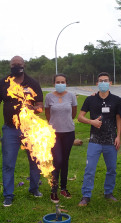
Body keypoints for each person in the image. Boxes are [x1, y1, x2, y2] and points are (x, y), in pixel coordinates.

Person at [0, 56, 44, 207]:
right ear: (10, 66)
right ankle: (8, 195)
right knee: (8, 163)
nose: (16, 66)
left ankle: (34, 188)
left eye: (19, 64)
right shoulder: (3, 83)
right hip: (10, 130)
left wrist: (32, 108)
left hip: (30, 129)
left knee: (34, 161)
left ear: (24, 65)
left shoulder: (32, 83)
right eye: (14, 64)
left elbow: (40, 106)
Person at [77, 72, 121, 207]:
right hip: (94, 140)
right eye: (101, 81)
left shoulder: (116, 100)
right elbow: (80, 117)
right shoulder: (90, 99)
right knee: (90, 169)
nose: (103, 83)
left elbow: (119, 118)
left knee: (112, 169)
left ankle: (108, 192)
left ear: (110, 83)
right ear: (97, 83)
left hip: (111, 140)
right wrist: (92, 122)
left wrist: (118, 136)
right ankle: (86, 195)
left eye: (106, 80)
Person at [45, 73, 78, 203]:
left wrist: (65, 122)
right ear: (54, 83)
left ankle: (63, 188)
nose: (60, 84)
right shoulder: (49, 96)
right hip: (54, 133)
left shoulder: (71, 96)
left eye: (62, 82)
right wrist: (54, 123)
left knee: (65, 160)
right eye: (57, 82)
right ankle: (53, 189)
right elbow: (48, 113)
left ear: (66, 83)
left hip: (69, 132)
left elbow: (73, 113)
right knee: (57, 160)